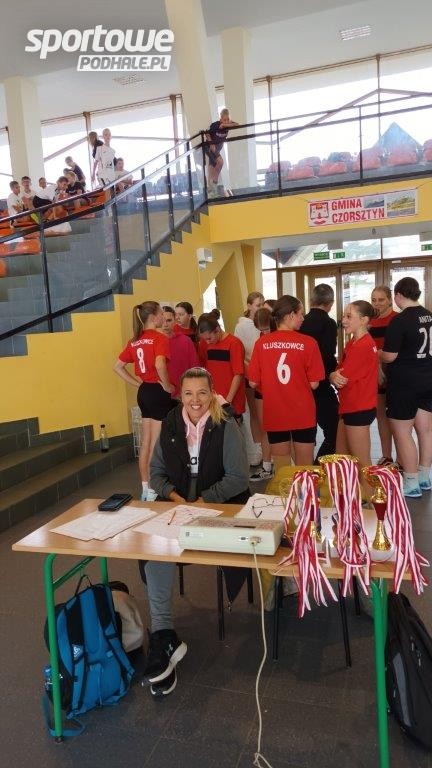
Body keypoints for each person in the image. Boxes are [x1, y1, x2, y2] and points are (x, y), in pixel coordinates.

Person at [143, 367, 250, 696]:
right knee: (154, 551)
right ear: (180, 395)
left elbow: (238, 477)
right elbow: (156, 473)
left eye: (202, 392)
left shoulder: (226, 423)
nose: (195, 400)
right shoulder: (171, 422)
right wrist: (178, 500)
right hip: (179, 503)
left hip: (220, 503)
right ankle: (162, 634)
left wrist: (203, 502)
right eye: (188, 393)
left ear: (212, 393)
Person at [248, 295, 324, 465]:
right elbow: (314, 384)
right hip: (303, 413)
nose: (303, 318)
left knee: (282, 469)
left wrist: (272, 384)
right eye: (301, 314)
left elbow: (252, 382)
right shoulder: (309, 343)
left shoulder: (261, 343)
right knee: (305, 467)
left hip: (275, 412)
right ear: (291, 315)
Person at [113, 301, 175, 502]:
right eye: (161, 314)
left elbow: (117, 366)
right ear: (154, 317)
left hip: (144, 392)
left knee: (145, 441)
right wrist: (167, 385)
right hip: (157, 391)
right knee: (156, 442)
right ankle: (154, 488)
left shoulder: (135, 341)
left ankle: (145, 488)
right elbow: (160, 364)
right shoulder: (159, 338)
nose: (164, 318)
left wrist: (137, 383)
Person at [383, 277, 432, 498]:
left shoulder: (400, 320)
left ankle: (411, 483)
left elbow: (390, 356)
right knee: (425, 430)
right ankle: (425, 477)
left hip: (405, 383)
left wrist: (377, 354)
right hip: (428, 379)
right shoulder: (429, 316)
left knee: (403, 433)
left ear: (398, 295)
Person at [330, 301, 378, 476]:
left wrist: (332, 376)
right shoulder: (353, 342)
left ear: (364, 320)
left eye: (349, 316)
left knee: (362, 462)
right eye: (344, 316)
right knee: (341, 459)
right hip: (350, 406)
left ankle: (370, 493)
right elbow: (338, 370)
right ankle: (349, 491)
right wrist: (333, 375)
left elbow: (341, 378)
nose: (343, 320)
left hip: (358, 408)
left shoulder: (363, 345)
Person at [300, 283, 339, 461]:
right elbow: (328, 355)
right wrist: (333, 373)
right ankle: (318, 466)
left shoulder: (301, 321)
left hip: (300, 385)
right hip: (321, 385)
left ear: (311, 300)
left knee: (306, 435)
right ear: (330, 303)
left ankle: (307, 468)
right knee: (335, 431)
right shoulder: (328, 323)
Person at [234, 291, 265, 469]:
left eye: (262, 305)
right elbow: (242, 353)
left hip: (264, 374)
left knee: (264, 414)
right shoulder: (242, 326)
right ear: (249, 306)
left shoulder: (263, 323)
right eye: (257, 305)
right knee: (254, 413)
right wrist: (251, 370)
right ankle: (257, 450)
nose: (260, 308)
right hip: (250, 374)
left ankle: (264, 448)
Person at [369, 285, 398, 465]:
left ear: (389, 300)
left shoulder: (397, 319)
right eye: (374, 300)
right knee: (382, 418)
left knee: (398, 419)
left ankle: (402, 459)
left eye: (381, 299)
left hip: (396, 374)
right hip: (377, 374)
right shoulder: (370, 322)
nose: (377, 303)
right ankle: (387, 456)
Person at [198, 312, 246, 418]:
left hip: (231, 398)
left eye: (209, 338)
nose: (207, 342)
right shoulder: (204, 343)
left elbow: (238, 374)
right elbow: (203, 369)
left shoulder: (234, 343)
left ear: (218, 330)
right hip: (213, 398)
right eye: (204, 339)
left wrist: (227, 401)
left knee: (233, 427)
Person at [249, 307, 277, 480]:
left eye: (266, 329)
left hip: (277, 391)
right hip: (262, 390)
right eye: (261, 330)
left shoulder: (278, 338)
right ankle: (266, 466)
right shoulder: (260, 340)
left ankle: (286, 466)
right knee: (265, 428)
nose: (264, 332)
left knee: (283, 429)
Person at [161, 306, 199, 397]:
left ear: (175, 320)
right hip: (162, 392)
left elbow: (195, 367)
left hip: (184, 392)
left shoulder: (186, 341)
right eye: (162, 321)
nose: (165, 324)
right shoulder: (155, 342)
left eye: (169, 320)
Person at [205, 108, 238, 195]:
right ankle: (213, 184)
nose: (226, 121)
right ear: (220, 119)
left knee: (213, 165)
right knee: (220, 162)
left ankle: (211, 186)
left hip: (217, 149)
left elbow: (237, 124)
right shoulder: (215, 125)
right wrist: (211, 143)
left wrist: (226, 124)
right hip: (210, 147)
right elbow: (207, 133)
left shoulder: (228, 124)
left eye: (227, 119)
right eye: (224, 120)